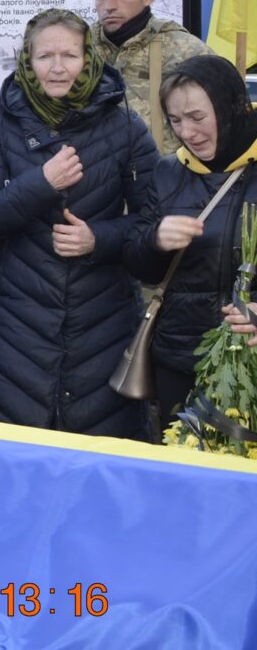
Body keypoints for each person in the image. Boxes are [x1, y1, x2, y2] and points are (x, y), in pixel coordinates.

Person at [0, 10, 159, 437]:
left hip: (104, 321)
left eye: (69, 55)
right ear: (27, 62)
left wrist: (98, 239)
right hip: (18, 324)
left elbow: (152, 221)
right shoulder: (1, 124)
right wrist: (40, 184)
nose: (57, 67)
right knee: (15, 457)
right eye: (44, 55)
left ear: (88, 59)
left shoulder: (124, 125)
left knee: (103, 462)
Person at [125, 55, 257, 426]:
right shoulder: (169, 172)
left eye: (197, 117)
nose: (187, 132)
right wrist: (154, 239)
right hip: (180, 360)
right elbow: (139, 266)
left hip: (249, 357)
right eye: (176, 120)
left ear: (230, 108)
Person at [88, 0, 213, 155]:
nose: (109, 6)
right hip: (96, 182)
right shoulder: (79, 49)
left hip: (167, 181)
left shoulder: (185, 51)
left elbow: (222, 125)